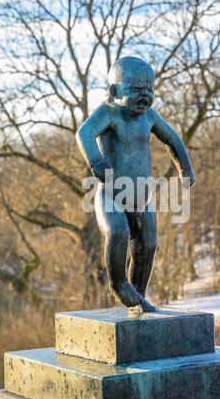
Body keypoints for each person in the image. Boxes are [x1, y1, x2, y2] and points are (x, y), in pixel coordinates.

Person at [76, 56, 195, 312]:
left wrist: (185, 167)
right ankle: (119, 284)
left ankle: (138, 298)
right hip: (111, 195)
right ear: (115, 91)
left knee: (148, 244)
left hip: (141, 197)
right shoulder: (108, 113)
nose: (145, 95)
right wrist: (96, 162)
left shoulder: (149, 117)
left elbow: (172, 139)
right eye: (136, 89)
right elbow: (83, 134)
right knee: (118, 232)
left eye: (149, 89)